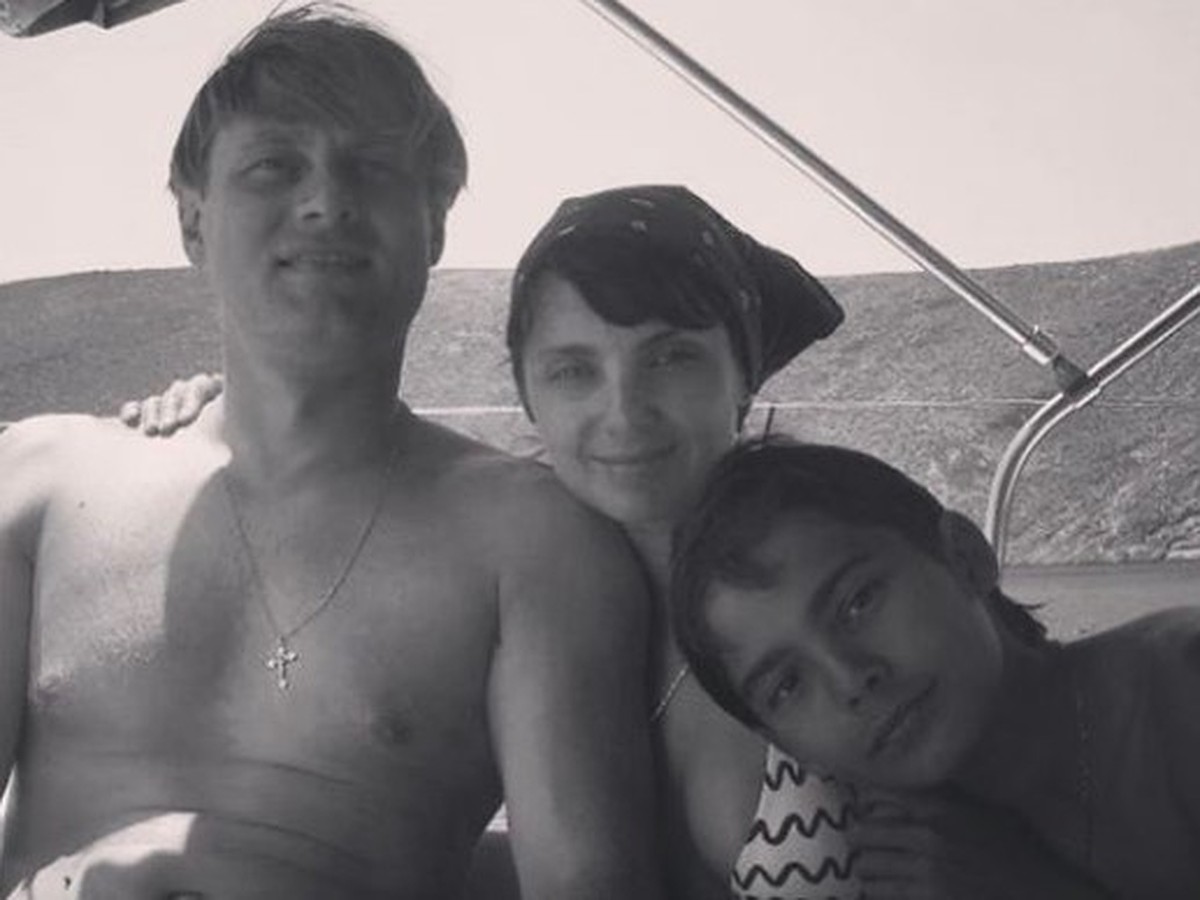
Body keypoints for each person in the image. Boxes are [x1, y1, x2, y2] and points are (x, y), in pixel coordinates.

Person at [129, 183, 1111, 900]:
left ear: (743, 374)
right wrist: (213, 408)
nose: (624, 412)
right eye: (573, 370)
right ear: (527, 395)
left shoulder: (833, 578)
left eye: (671, 358)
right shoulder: (507, 584)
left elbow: (1078, 783)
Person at [0, 7, 668, 899]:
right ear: (193, 220)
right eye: (275, 165)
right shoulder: (40, 486)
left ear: (434, 226)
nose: (325, 201)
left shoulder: (534, 543)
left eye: (372, 167)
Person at [670, 436, 1200, 899]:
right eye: (787, 685)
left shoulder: (1178, 688)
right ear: (788, 748)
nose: (850, 678)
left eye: (857, 603)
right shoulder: (902, 861)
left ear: (966, 557)